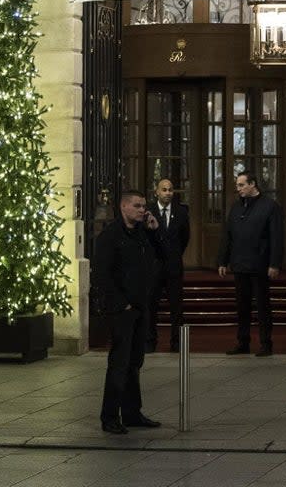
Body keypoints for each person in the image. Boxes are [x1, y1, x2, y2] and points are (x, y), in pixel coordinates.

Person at [92, 190, 164, 435]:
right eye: (137, 206)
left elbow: (164, 257)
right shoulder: (110, 236)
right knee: (119, 363)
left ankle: (132, 413)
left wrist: (156, 232)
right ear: (124, 207)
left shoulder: (143, 233)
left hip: (141, 306)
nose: (142, 210)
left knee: (135, 362)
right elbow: (102, 274)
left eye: (143, 206)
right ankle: (110, 416)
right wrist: (122, 304)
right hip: (122, 310)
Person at [217, 170, 284, 357]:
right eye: (237, 185)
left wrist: (275, 264)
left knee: (262, 306)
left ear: (252, 184)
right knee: (242, 306)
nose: (238, 189)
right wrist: (223, 261)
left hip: (260, 265)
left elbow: (277, 237)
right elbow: (227, 236)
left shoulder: (270, 206)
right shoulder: (236, 207)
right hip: (239, 264)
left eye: (241, 185)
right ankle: (243, 342)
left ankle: (265, 343)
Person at [147, 178, 191, 353]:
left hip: (173, 266)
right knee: (151, 306)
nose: (167, 193)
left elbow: (185, 237)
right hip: (154, 266)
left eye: (170, 190)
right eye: (164, 190)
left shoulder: (181, 212)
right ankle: (150, 342)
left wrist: (174, 254)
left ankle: (177, 343)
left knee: (176, 308)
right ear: (156, 192)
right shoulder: (148, 211)